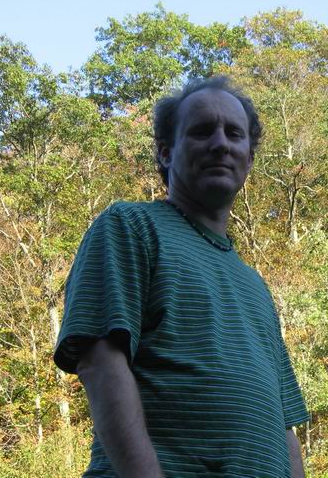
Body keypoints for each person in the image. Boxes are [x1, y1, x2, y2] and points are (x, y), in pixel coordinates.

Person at [53, 75, 309, 477]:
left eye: (234, 133)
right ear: (166, 152)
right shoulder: (130, 227)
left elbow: (283, 425)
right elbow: (100, 362)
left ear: (249, 158)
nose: (220, 143)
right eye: (202, 131)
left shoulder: (255, 286)